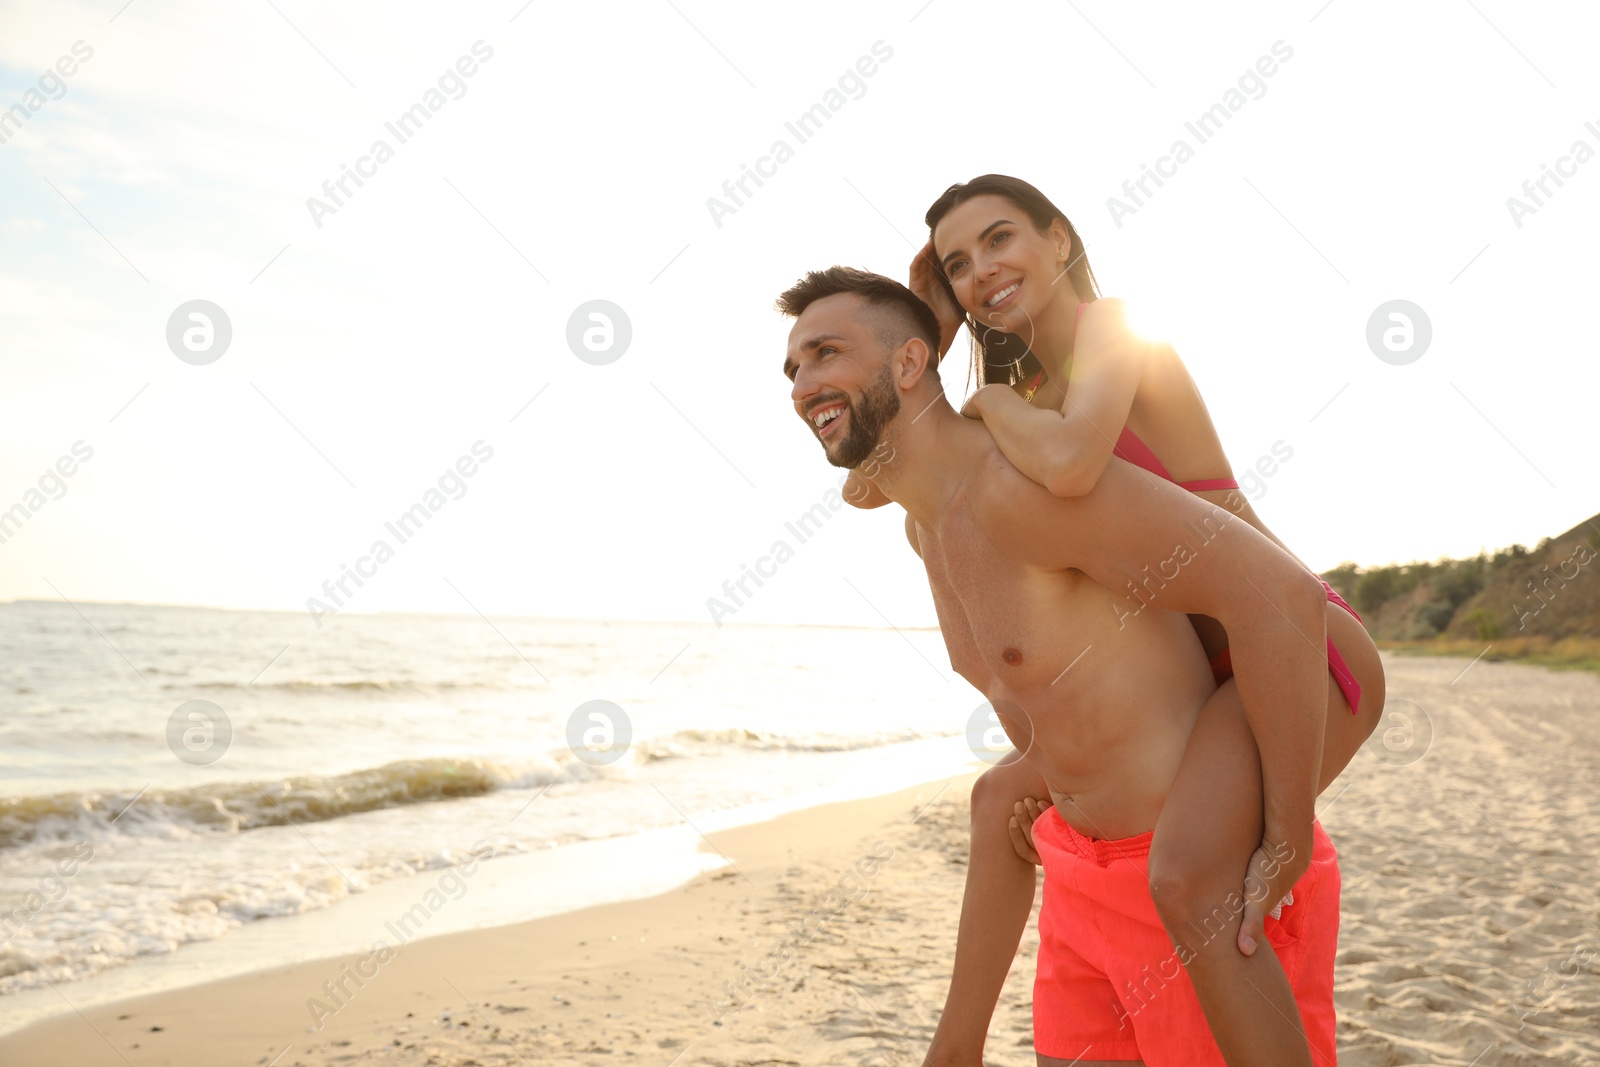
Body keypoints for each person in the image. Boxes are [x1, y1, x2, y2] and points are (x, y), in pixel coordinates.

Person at [842, 175, 1385, 1066]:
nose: (983, 270)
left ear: (1059, 241)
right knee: (999, 800)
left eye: (1001, 239)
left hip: (1299, 647)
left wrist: (1285, 831)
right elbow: (869, 482)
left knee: (1184, 875)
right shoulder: (1023, 386)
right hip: (1209, 681)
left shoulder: (1111, 333)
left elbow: (1070, 460)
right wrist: (929, 335)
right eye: (957, 264)